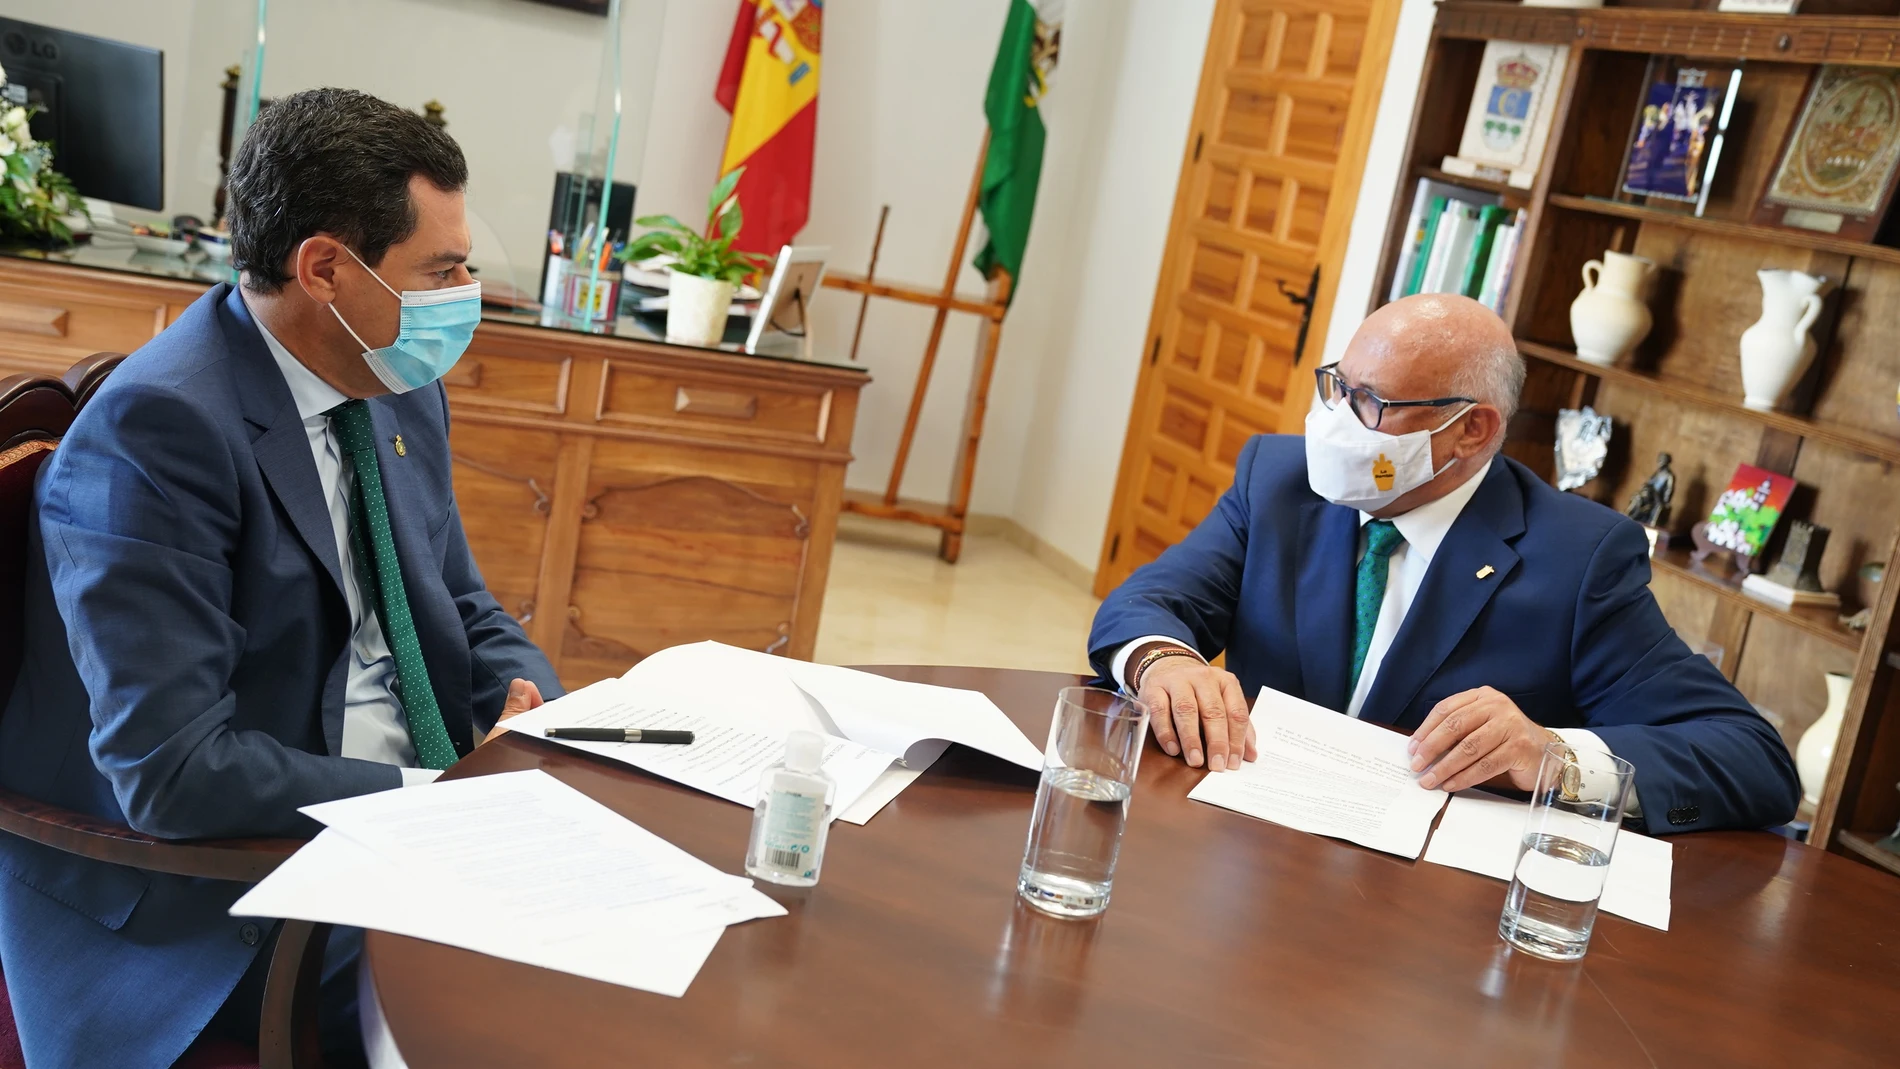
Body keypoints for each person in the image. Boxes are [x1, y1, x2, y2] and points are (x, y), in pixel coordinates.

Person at [0, 89, 562, 1069]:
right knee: (535, 1016)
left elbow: (461, 601)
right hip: (219, 904)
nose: (469, 289)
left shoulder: (392, 381)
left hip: (390, 826)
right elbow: (171, 774)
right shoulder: (159, 435)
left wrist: (532, 716)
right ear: (325, 270)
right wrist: (432, 797)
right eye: (443, 268)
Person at [1089, 294, 1799, 833]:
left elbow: (1751, 758)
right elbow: (1148, 603)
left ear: (1472, 429)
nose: (1337, 422)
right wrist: (1163, 662)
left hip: (1424, 912)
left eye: (1373, 403)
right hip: (1245, 836)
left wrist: (1552, 753)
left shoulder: (1579, 558)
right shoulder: (1279, 479)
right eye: (1338, 385)